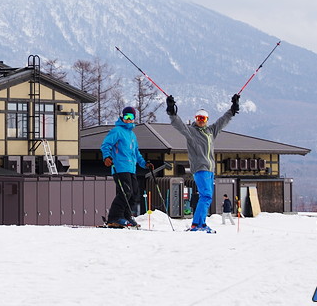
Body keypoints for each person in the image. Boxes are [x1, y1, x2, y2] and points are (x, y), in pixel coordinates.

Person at [166, 93, 240, 232]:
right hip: (200, 168)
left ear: (207, 120)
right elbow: (179, 125)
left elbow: (222, 121)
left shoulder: (211, 131)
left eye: (203, 118)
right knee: (206, 196)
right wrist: (171, 112)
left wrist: (233, 109)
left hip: (210, 169)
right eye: (199, 118)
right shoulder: (191, 132)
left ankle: (200, 223)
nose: (201, 121)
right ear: (195, 119)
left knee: (207, 197)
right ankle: (198, 224)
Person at [100, 106, 154, 227]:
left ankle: (126, 215)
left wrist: (144, 164)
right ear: (122, 117)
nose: (128, 119)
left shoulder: (132, 135)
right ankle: (114, 217)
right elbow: (105, 145)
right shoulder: (117, 131)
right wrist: (106, 157)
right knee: (126, 192)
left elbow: (136, 153)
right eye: (126, 117)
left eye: (131, 117)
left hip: (131, 168)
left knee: (134, 192)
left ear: (134, 118)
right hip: (119, 166)